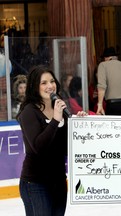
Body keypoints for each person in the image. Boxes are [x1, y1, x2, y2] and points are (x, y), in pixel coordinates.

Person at [16, 65, 87, 216]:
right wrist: (55, 120)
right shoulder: (29, 112)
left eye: (52, 81)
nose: (50, 86)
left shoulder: (60, 109)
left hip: (59, 182)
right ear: (35, 86)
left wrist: (80, 127)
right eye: (44, 83)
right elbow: (39, 147)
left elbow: (67, 148)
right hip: (35, 183)